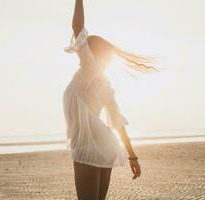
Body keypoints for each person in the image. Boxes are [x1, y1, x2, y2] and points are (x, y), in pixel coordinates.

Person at [63, 1, 160, 199]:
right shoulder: (103, 82)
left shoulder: (90, 68)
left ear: (90, 52)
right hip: (103, 146)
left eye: (85, 47)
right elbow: (117, 122)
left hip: (88, 146)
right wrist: (132, 156)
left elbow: (77, 27)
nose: (81, 49)